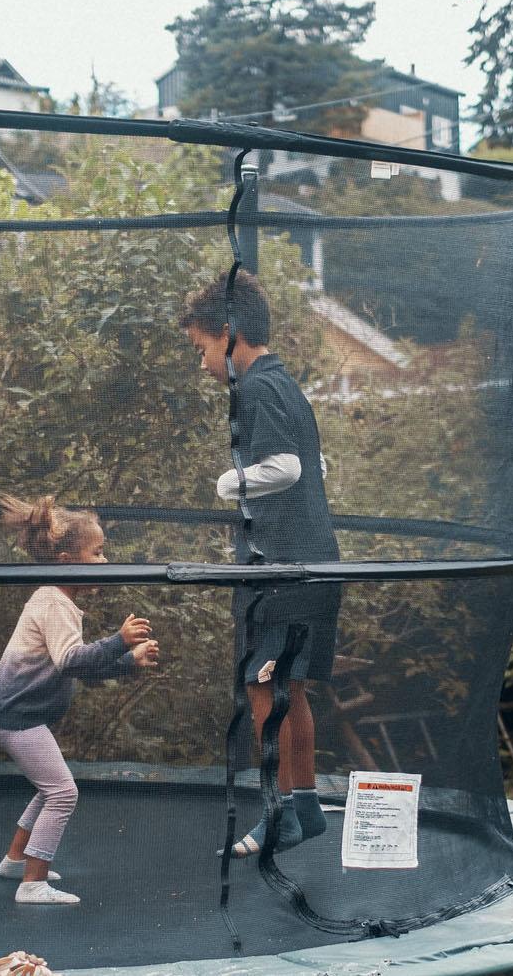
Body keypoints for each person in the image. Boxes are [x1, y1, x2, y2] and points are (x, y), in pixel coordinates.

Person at [179, 270, 340, 858]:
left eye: (203, 349)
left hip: (279, 571)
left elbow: (292, 468)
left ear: (230, 332)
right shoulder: (286, 385)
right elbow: (320, 467)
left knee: (262, 688)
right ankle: (303, 807)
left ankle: (277, 814)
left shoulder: (255, 388)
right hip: (310, 563)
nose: (203, 365)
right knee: (288, 688)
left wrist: (232, 481)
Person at [0, 495, 161, 905]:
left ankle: (15, 861)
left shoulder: (58, 601)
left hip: (14, 715)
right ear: (66, 560)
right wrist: (119, 641)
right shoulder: (52, 601)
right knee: (63, 792)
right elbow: (71, 660)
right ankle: (33, 883)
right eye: (96, 553)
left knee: (51, 789)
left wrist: (128, 661)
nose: (104, 560)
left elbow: (80, 669)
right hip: (16, 718)